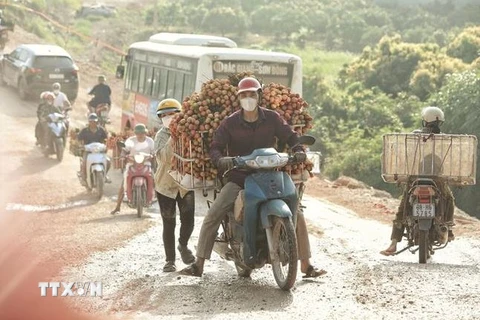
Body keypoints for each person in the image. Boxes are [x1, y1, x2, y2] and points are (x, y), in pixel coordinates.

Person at [180, 77, 327, 278]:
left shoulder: (272, 118)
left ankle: (306, 265)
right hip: (240, 177)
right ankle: (198, 264)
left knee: (298, 212)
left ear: (259, 96)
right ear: (239, 98)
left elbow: (291, 136)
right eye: (244, 95)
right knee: (215, 213)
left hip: (270, 175)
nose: (248, 98)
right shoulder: (230, 123)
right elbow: (216, 147)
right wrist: (221, 159)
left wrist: (298, 149)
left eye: (252, 94)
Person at [380, 106, 455, 256]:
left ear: (425, 121)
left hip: (415, 180)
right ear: (440, 122)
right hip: (437, 182)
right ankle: (449, 228)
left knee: (402, 210)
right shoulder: (444, 139)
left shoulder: (414, 136)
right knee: (450, 200)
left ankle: (394, 243)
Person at [154, 99, 196, 272]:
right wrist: (174, 136)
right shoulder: (161, 136)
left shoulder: (189, 133)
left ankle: (183, 245)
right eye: (164, 115)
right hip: (165, 185)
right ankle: (170, 260)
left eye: (172, 114)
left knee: (188, 220)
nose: (168, 117)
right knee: (168, 222)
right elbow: (163, 157)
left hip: (185, 183)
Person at [110, 123, 155, 215]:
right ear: (135, 133)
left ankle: (154, 197)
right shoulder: (130, 140)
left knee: (155, 180)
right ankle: (118, 207)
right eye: (138, 133)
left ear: (145, 133)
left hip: (146, 163)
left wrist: (153, 155)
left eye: (142, 133)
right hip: (131, 164)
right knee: (124, 184)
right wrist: (123, 155)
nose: (140, 135)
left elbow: (154, 152)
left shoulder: (150, 141)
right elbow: (124, 150)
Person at [77, 113, 111, 184]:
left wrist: (106, 145)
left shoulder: (101, 130)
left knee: (108, 161)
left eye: (94, 121)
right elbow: (79, 139)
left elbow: (106, 139)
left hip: (99, 151)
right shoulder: (84, 130)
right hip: (88, 151)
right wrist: (81, 146)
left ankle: (104, 175)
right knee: (84, 162)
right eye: (91, 121)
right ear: (89, 122)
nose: (93, 123)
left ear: (97, 122)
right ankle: (83, 178)